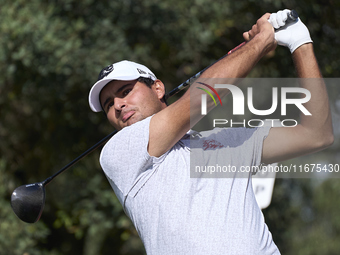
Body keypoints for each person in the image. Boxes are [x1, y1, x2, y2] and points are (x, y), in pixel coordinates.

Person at [88, 10, 333, 255]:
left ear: (158, 88)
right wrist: (261, 42)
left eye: (125, 91)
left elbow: (317, 134)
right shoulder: (118, 152)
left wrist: (300, 43)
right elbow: (202, 99)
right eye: (109, 104)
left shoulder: (226, 138)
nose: (118, 105)